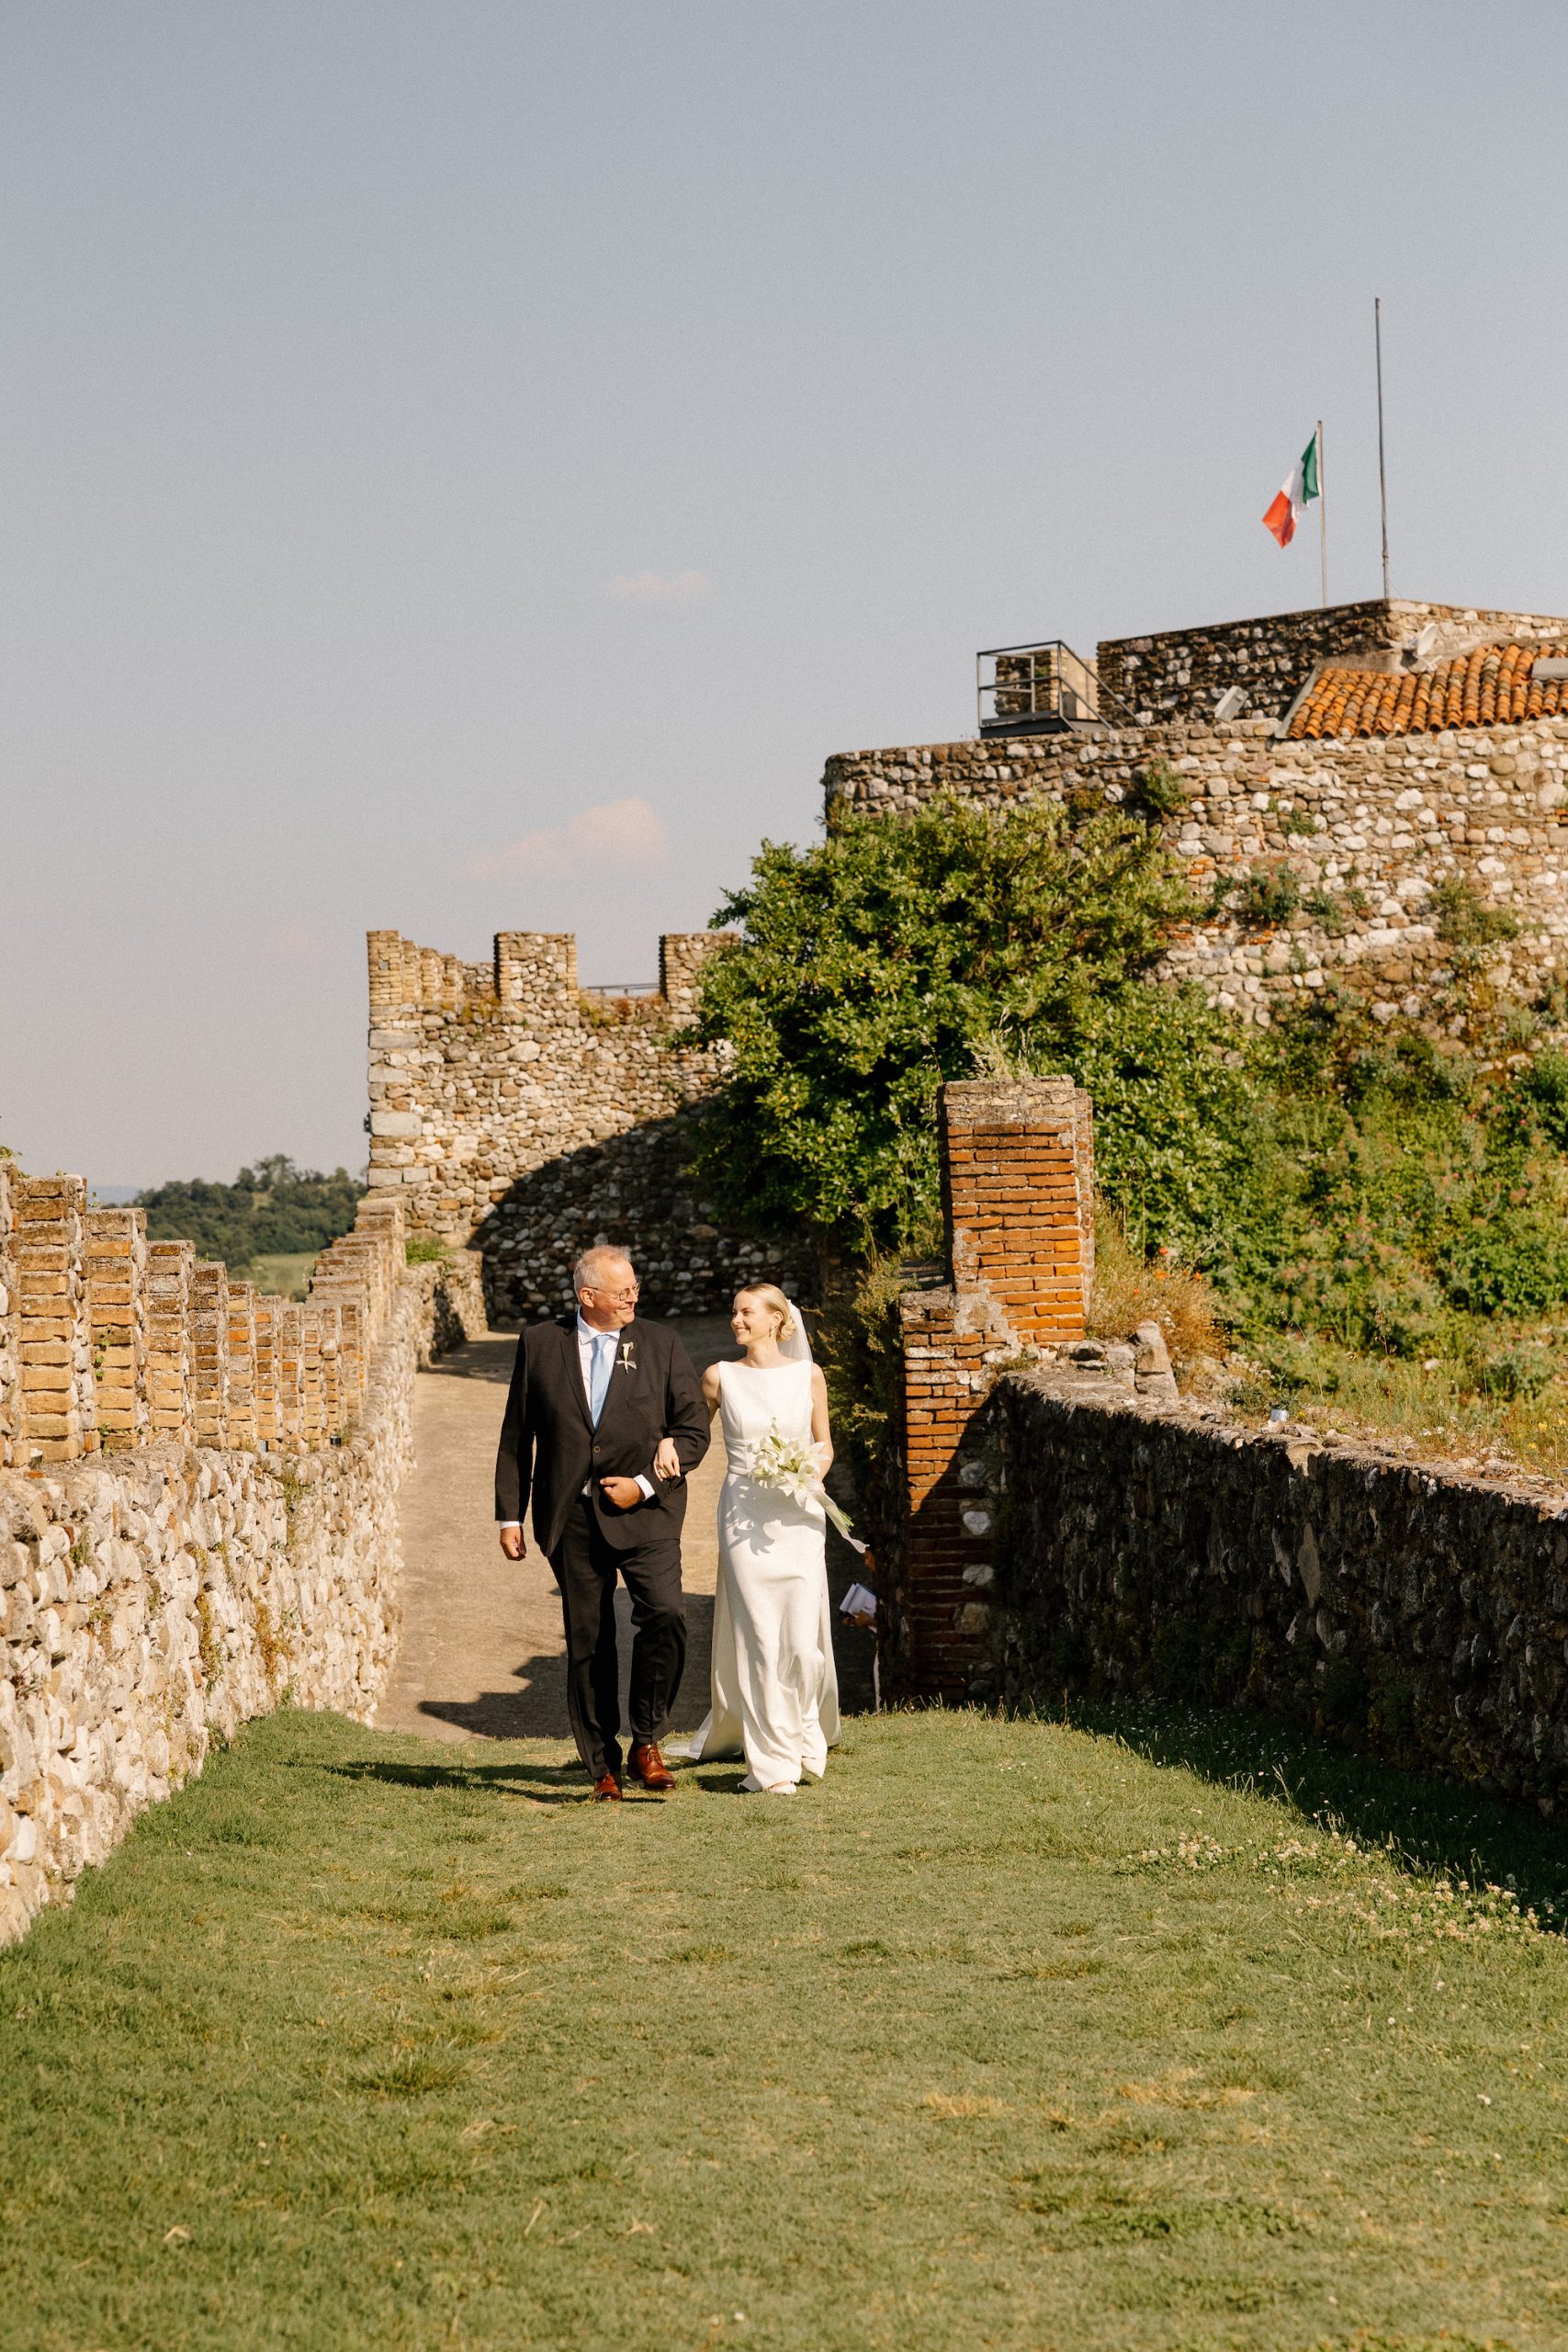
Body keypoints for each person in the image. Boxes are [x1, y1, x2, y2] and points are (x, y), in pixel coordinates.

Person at [494, 1245, 709, 1800]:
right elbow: (518, 1435)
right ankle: (601, 1765)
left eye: (635, 1287)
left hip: (649, 1513)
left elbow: (693, 1431)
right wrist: (509, 1515)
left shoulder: (661, 1343)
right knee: (589, 1639)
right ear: (588, 1296)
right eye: (623, 1291)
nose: (634, 1297)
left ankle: (647, 1741)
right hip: (571, 1517)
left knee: (666, 1614)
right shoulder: (540, 1343)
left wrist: (644, 1484)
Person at [685, 1283, 841, 1794]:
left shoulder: (809, 1375)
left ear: (776, 1318)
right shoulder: (719, 1377)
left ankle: (803, 1730)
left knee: (802, 1642)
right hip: (744, 1516)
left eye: (746, 1312)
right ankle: (772, 1765)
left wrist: (808, 1472)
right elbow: (689, 1435)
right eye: (733, 1312)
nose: (736, 1320)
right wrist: (661, 1449)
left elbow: (824, 1445)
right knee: (759, 1639)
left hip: (798, 1514)